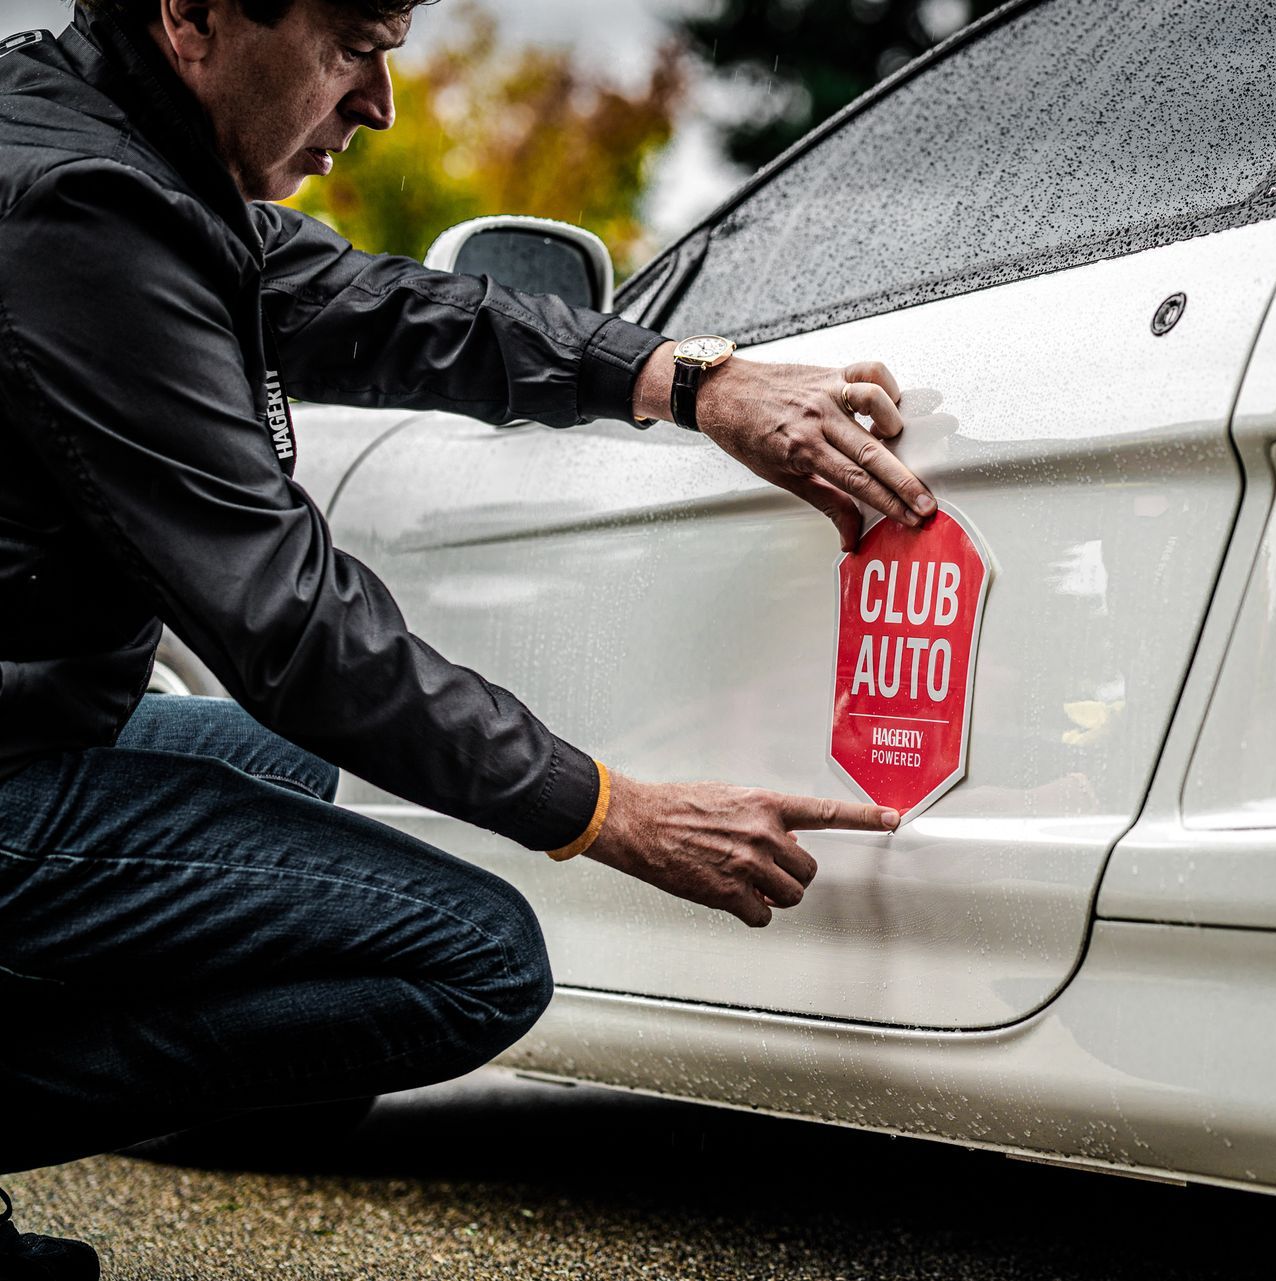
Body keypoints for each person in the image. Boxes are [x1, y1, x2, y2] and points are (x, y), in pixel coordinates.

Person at [0, 0, 936, 1274]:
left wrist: (689, 379)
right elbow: (292, 627)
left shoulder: (113, 151)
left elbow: (378, 308)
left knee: (277, 770)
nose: (378, 101)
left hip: (34, 727)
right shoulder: (80, 212)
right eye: (351, 46)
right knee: (477, 960)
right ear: (194, 16)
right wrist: (613, 812)